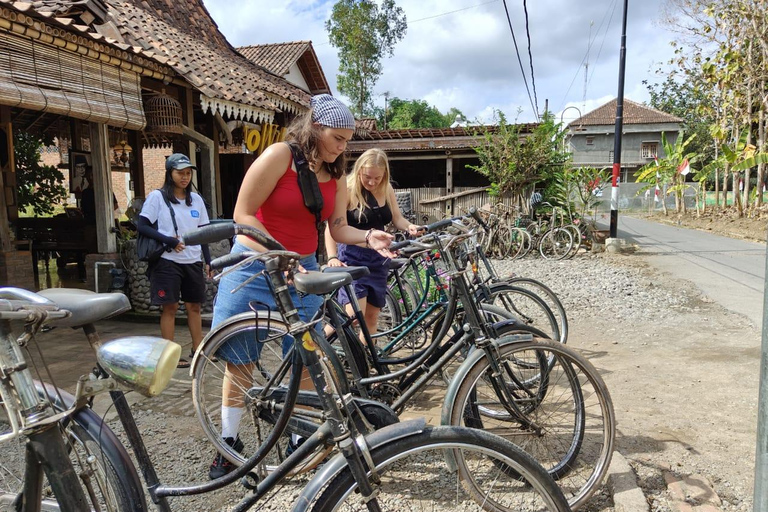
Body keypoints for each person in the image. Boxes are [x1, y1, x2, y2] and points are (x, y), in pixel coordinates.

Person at [208, 94, 394, 479]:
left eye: (347, 140)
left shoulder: (334, 173)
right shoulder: (280, 155)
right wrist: (279, 252)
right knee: (239, 358)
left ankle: (298, 439)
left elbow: (337, 227)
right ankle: (228, 445)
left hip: (303, 269)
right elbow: (242, 214)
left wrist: (368, 236)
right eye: (338, 138)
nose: (343, 147)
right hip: (255, 263)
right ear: (315, 128)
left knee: (306, 355)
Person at [325, 148, 422, 338]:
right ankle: (317, 348)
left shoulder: (387, 189)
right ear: (359, 169)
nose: (372, 182)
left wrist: (410, 227)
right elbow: (332, 227)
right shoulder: (349, 190)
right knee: (352, 316)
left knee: (371, 317)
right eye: (368, 177)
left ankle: (365, 362)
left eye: (377, 178)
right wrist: (332, 256)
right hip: (353, 257)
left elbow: (397, 218)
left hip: (379, 258)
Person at [137, 153, 211, 369]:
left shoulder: (196, 200)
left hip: (192, 260)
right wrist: (168, 240)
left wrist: (208, 260)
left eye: (188, 173)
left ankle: (198, 349)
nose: (185, 177)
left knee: (194, 306)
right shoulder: (156, 198)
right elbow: (143, 226)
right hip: (167, 261)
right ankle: (169, 355)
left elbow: (204, 232)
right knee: (169, 308)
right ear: (170, 174)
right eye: (180, 173)